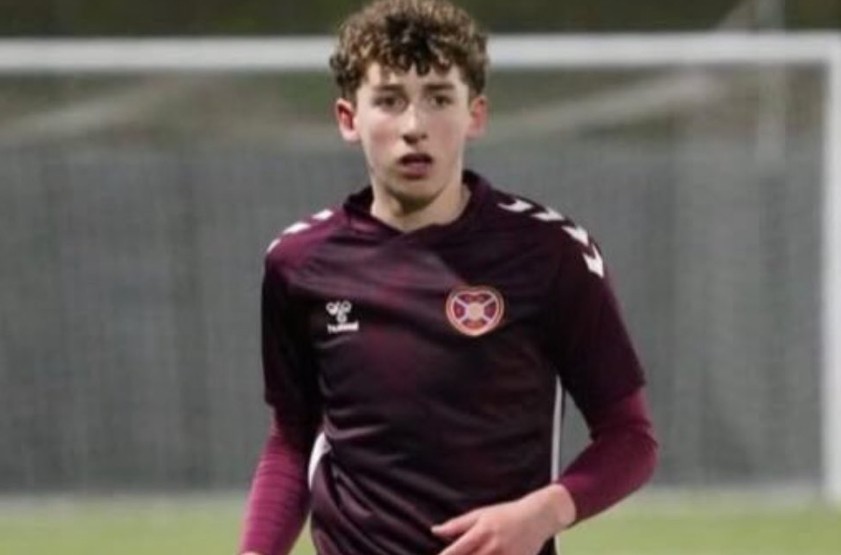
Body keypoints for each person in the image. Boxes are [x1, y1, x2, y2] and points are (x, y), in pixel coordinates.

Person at [239, 1, 658, 554]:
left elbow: (630, 437)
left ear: (475, 115)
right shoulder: (299, 263)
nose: (414, 128)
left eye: (438, 99)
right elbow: (292, 441)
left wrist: (542, 513)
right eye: (389, 101)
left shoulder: (550, 253)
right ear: (348, 118)